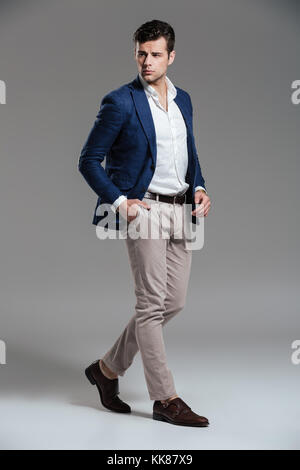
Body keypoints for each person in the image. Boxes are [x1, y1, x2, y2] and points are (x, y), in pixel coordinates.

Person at [79, 19, 211, 427]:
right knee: (151, 306)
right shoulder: (119, 102)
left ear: (171, 56)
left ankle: (105, 370)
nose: (147, 61)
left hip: (182, 208)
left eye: (155, 54)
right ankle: (165, 399)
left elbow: (188, 151)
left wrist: (201, 187)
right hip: (146, 210)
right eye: (141, 52)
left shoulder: (184, 99)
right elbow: (88, 160)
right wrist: (121, 202)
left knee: (174, 302)